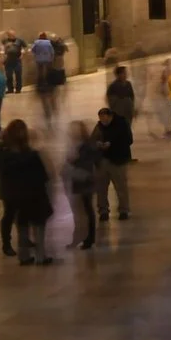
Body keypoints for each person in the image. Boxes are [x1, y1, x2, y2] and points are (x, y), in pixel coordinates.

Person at [0, 119, 52, 264]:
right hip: (12, 189)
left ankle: (24, 248)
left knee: (22, 219)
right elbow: (0, 167)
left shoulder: (22, 150)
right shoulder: (3, 149)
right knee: (12, 216)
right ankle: (7, 244)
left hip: (19, 189)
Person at [64, 121, 102, 251]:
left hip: (85, 183)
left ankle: (89, 238)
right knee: (81, 212)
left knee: (86, 211)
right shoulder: (75, 146)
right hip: (78, 182)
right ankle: (81, 237)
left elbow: (90, 163)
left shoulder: (86, 147)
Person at [92, 105, 133, 223]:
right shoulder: (99, 126)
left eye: (105, 119)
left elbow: (128, 140)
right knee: (101, 188)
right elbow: (93, 139)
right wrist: (98, 144)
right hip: (103, 161)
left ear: (111, 116)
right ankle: (103, 210)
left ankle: (123, 210)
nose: (103, 122)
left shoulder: (121, 124)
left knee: (121, 187)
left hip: (118, 161)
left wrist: (112, 144)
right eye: (101, 119)